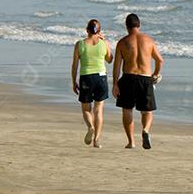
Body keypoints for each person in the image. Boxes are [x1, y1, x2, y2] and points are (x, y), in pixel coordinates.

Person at [112, 13, 163, 149]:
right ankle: (145, 130)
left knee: (127, 110)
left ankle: (131, 142)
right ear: (139, 25)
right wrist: (155, 74)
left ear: (126, 27)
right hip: (145, 78)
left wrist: (115, 84)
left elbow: (117, 66)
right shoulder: (149, 40)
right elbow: (160, 60)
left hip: (128, 78)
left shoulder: (122, 42)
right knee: (147, 111)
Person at [70, 19, 112, 148]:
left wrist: (74, 81)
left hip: (86, 78)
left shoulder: (80, 44)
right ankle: (96, 140)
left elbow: (75, 66)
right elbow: (110, 59)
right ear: (99, 31)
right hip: (101, 78)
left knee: (86, 109)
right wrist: (105, 42)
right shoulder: (104, 43)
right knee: (98, 110)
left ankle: (90, 127)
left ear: (87, 30)